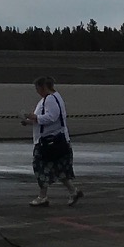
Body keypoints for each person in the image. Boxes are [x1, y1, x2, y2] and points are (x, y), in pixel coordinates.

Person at [21, 76, 80, 207]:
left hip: (49, 142)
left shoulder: (50, 99)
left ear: (43, 87)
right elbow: (46, 118)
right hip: (55, 141)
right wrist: (30, 121)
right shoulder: (52, 98)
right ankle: (73, 191)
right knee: (59, 169)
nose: (37, 91)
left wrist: (34, 117)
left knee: (40, 167)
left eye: (38, 88)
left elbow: (51, 117)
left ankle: (42, 196)